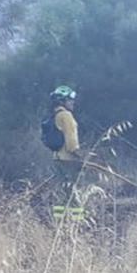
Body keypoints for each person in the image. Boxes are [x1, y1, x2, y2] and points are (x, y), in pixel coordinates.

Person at [47, 86, 86, 223]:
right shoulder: (67, 116)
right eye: (70, 100)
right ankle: (78, 224)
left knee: (62, 194)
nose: (72, 103)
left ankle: (59, 223)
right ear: (62, 101)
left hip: (57, 159)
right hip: (69, 161)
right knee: (74, 194)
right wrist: (82, 157)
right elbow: (71, 144)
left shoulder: (56, 115)